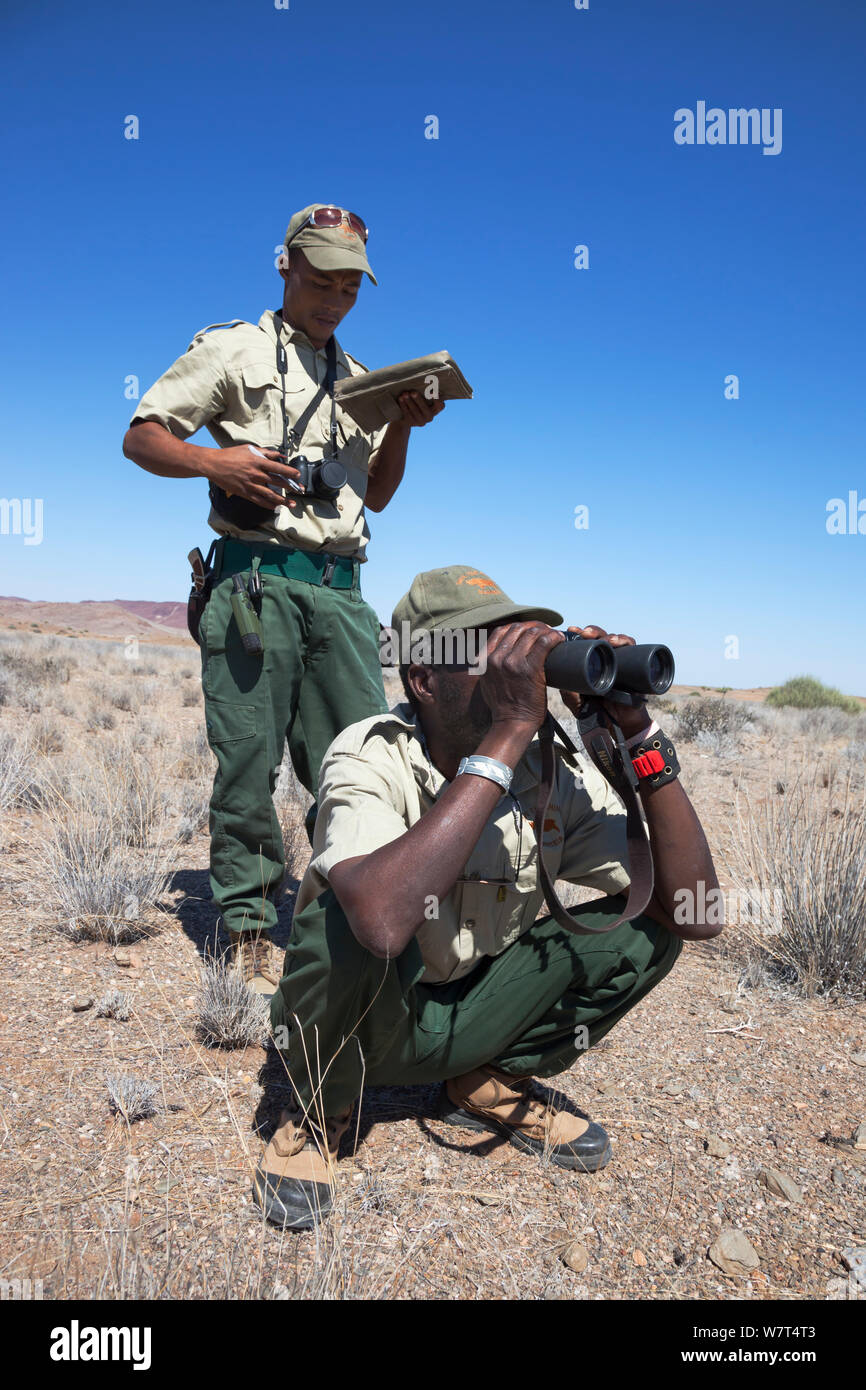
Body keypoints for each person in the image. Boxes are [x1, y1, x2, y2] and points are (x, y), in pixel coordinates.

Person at [255, 564, 722, 1229]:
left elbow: (693, 910)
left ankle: (486, 1079)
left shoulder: (547, 771)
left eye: (525, 649)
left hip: (475, 1014)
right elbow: (384, 923)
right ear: (424, 679)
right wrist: (507, 733)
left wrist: (639, 740)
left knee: (646, 931)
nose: (520, 672)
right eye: (493, 657)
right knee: (347, 915)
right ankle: (318, 1108)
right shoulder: (369, 757)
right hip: (366, 1025)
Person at [122, 204, 444, 994]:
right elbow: (142, 436)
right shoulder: (233, 348)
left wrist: (404, 425)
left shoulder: (362, 379)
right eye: (319, 279)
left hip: (340, 596)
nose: (334, 298)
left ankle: (343, 920)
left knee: (357, 767)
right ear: (285, 267)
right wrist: (218, 463)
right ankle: (245, 925)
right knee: (247, 764)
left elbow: (381, 493)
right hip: (255, 585)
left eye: (349, 286)